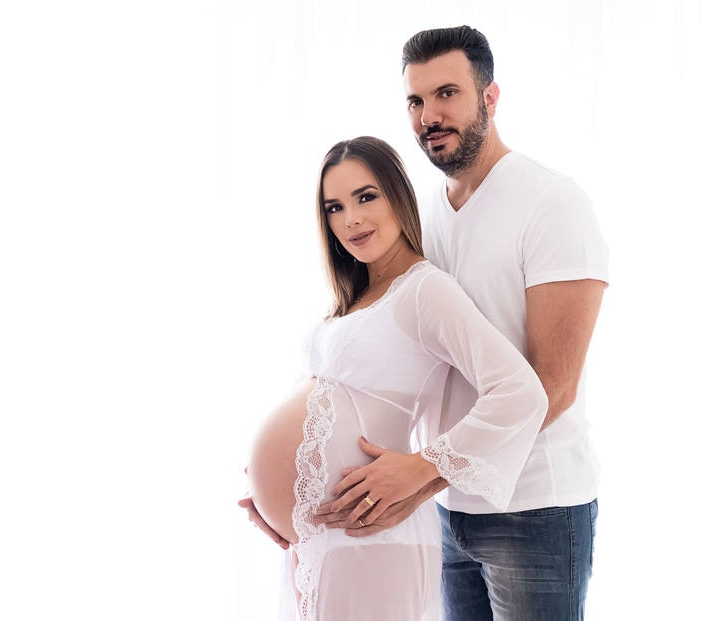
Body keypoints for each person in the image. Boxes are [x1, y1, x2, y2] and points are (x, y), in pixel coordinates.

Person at [314, 26, 610, 621]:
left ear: (490, 97)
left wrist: (421, 477)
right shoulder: (416, 216)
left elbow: (552, 387)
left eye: (446, 93)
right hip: (447, 513)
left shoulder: (552, 203)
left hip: (535, 509)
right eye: (416, 100)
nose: (429, 116)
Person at [240, 135, 548, 620]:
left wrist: (422, 468)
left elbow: (520, 392)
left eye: (366, 197)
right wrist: (269, 496)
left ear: (398, 195)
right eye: (335, 207)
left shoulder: (425, 291)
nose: (351, 219)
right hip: (321, 540)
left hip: (371, 534)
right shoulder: (350, 302)